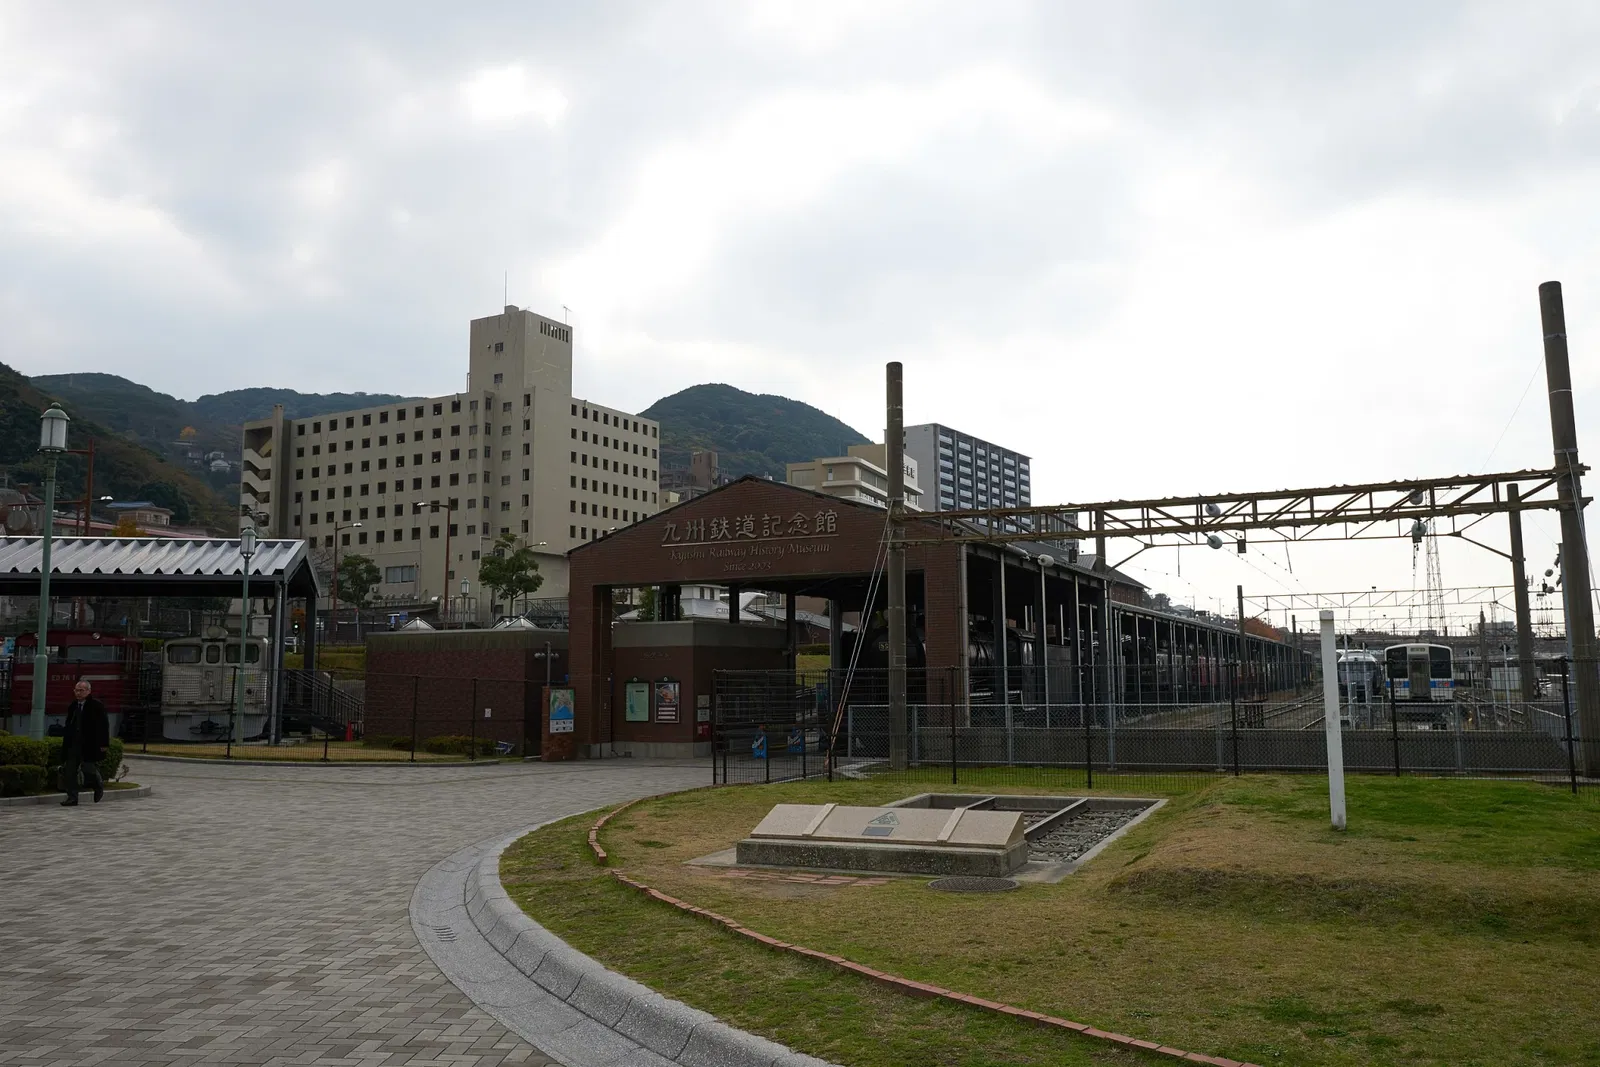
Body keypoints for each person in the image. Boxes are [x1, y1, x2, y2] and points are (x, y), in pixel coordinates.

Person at [61, 679, 109, 807]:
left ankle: (97, 784)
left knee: (88, 769)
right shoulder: (73, 706)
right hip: (73, 744)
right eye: (76, 690)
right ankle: (72, 797)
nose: (78, 693)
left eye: (81, 690)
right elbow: (68, 724)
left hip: (89, 744)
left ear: (88, 691)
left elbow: (104, 726)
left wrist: (104, 744)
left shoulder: (96, 706)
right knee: (70, 771)